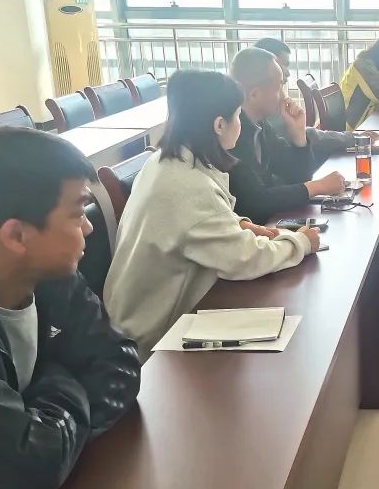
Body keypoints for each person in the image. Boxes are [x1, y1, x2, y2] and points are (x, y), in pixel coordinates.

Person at [0, 127, 140, 489]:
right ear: (16, 236)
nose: (89, 226)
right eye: (77, 212)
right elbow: (34, 465)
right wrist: (61, 377)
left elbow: (121, 363)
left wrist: (16, 459)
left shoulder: (50, 275)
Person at [104, 70, 319, 359]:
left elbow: (193, 222)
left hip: (136, 322)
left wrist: (238, 224)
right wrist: (302, 242)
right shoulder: (188, 186)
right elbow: (246, 259)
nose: (240, 124)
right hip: (153, 340)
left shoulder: (164, 162)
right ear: (219, 124)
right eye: (238, 116)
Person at [228, 47, 347, 224]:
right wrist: (318, 187)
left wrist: (298, 134)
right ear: (254, 94)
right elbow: (254, 202)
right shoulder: (231, 134)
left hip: (268, 226)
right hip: (249, 233)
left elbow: (297, 175)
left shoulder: (260, 125)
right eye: (279, 88)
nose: (284, 96)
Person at [252, 37, 372, 163]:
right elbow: (307, 136)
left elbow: (304, 136)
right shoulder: (267, 105)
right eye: (284, 65)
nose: (287, 73)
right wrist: (351, 138)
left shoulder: (272, 101)